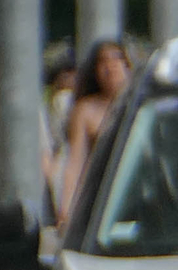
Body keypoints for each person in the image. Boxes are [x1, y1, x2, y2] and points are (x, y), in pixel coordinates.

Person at [57, 38, 132, 224]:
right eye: (103, 62)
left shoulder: (140, 106)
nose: (111, 67)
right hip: (100, 196)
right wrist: (66, 208)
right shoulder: (85, 110)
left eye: (117, 59)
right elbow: (75, 161)